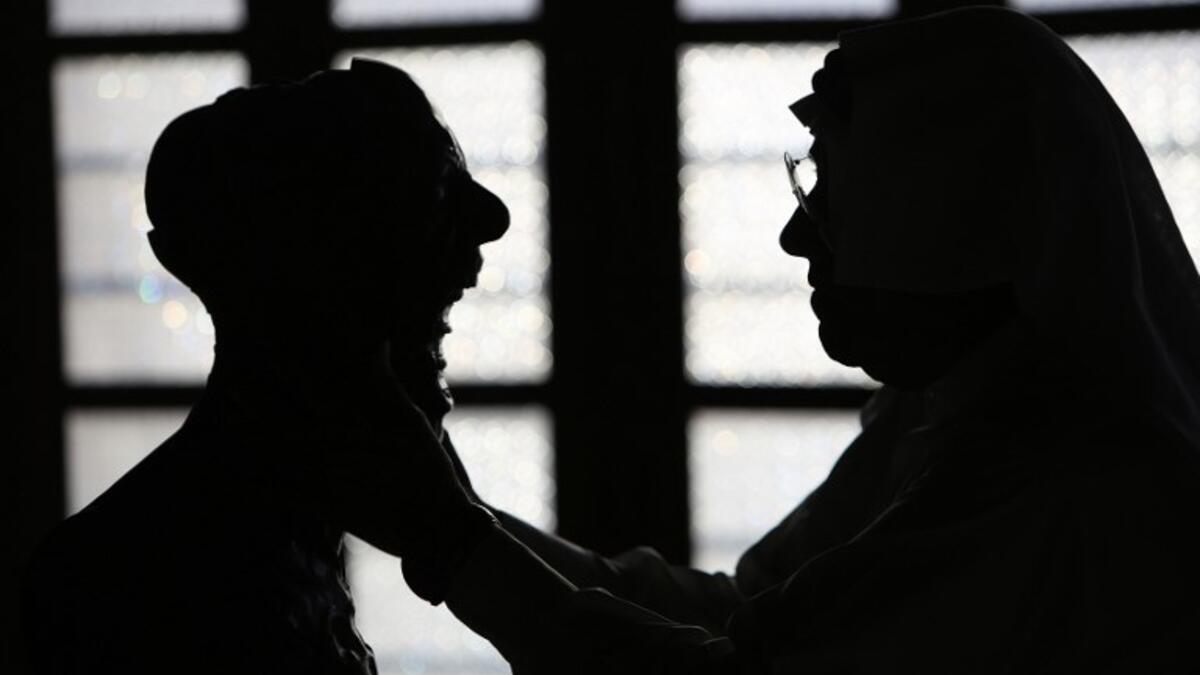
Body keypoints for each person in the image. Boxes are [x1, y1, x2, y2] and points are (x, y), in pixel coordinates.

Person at [296, 7, 1200, 673]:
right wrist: (452, 511)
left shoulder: (1084, 490)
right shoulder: (947, 413)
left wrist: (452, 538)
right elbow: (748, 611)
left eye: (835, 200)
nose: (796, 237)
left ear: (953, 224)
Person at [22, 58, 510, 674]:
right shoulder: (125, 569)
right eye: (423, 196)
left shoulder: (274, 528)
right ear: (295, 264)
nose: (481, 237)